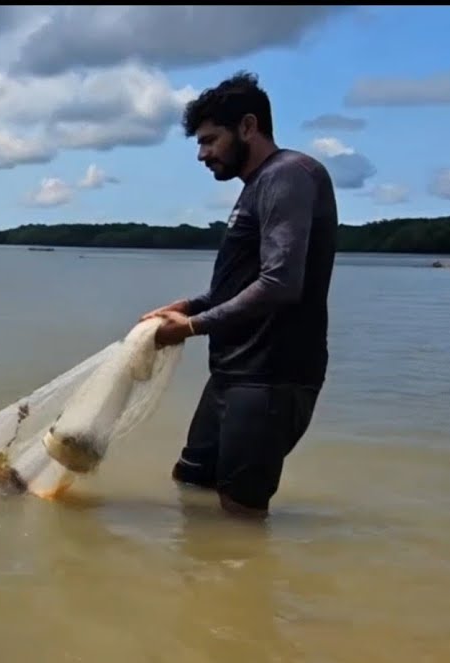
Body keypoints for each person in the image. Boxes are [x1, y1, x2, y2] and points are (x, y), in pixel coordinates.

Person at [142, 72, 338, 519]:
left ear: (248, 127)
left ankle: (241, 581)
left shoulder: (290, 175)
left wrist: (191, 327)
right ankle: (197, 584)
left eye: (210, 140)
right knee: (192, 481)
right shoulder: (256, 186)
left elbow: (280, 283)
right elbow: (237, 283)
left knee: (239, 512)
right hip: (233, 373)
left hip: (271, 378)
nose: (202, 154)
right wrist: (189, 306)